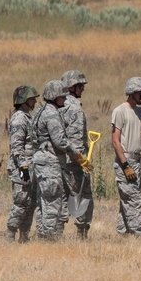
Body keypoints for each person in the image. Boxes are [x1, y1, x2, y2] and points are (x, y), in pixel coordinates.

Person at [31, 80, 87, 240]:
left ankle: (41, 235)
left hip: (40, 160)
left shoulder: (39, 112)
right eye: (62, 96)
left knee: (43, 201)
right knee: (53, 202)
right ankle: (48, 238)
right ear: (54, 97)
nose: (64, 99)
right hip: (50, 162)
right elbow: (60, 140)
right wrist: (75, 152)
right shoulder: (52, 114)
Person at [112, 76, 141, 236]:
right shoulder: (119, 111)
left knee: (127, 199)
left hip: (136, 160)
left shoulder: (139, 111)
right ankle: (138, 234)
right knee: (134, 200)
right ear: (132, 93)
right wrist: (125, 165)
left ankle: (122, 233)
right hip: (125, 161)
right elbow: (115, 141)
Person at [60, 69, 93, 239]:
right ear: (71, 87)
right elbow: (75, 140)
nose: (83, 89)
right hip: (74, 163)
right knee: (83, 196)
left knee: (59, 199)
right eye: (80, 86)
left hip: (60, 162)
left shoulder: (57, 106)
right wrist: (83, 162)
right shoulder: (74, 109)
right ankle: (82, 234)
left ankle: (54, 234)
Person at [6, 84, 39, 242]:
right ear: (24, 100)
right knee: (21, 202)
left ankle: (24, 235)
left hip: (31, 167)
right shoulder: (19, 118)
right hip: (21, 167)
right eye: (32, 99)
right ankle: (10, 234)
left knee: (30, 203)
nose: (34, 102)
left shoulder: (28, 117)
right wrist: (23, 167)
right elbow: (17, 147)